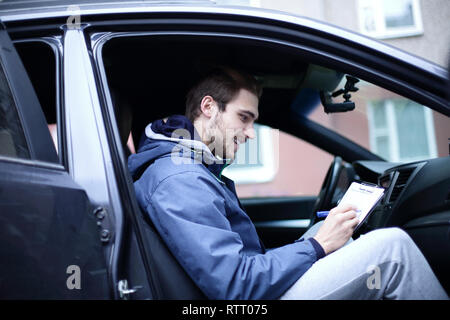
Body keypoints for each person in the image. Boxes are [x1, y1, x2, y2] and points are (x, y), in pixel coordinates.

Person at [128, 67, 448, 300]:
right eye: (244, 117)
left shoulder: (190, 168)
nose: (251, 132)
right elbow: (236, 287)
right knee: (392, 248)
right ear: (209, 107)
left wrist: (318, 239)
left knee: (344, 241)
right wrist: (316, 245)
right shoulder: (180, 178)